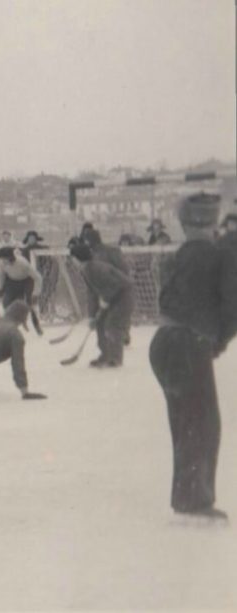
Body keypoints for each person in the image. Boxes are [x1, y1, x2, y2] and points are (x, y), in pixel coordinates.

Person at [149, 192, 237, 523]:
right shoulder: (222, 255)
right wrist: (219, 341)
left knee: (187, 422)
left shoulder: (182, 253)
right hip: (188, 343)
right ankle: (193, 502)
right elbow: (233, 306)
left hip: (163, 342)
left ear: (185, 224)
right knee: (202, 424)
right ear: (213, 223)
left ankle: (187, 497)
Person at [69, 243, 134, 367]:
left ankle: (115, 359)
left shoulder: (97, 268)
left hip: (124, 297)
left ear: (78, 257)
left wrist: (106, 299)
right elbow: (92, 293)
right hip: (112, 297)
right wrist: (92, 315)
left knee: (113, 325)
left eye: (72, 257)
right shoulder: (86, 270)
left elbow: (116, 284)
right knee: (99, 323)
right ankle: (105, 355)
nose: (71, 261)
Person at [81, 227, 132, 344]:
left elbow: (124, 270)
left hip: (118, 288)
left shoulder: (111, 251)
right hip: (103, 290)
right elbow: (91, 288)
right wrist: (91, 315)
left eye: (86, 240)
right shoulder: (90, 255)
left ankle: (123, 333)